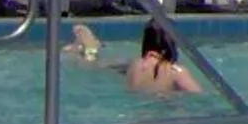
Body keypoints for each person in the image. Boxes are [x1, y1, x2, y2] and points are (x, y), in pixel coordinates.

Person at [68, 20, 202, 96]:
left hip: (137, 113)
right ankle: (90, 48)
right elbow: (198, 96)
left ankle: (90, 49)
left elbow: (98, 67)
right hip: (159, 114)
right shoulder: (176, 71)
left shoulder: (134, 64)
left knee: (95, 64)